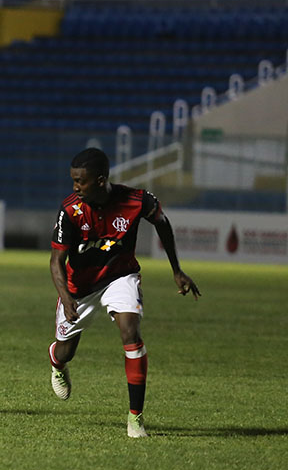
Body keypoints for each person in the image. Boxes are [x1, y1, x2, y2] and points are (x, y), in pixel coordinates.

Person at [48, 148, 200, 438]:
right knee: (67, 349)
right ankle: (56, 360)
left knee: (131, 332)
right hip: (79, 289)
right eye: (73, 180)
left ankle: (136, 420)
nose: (75, 187)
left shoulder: (136, 201)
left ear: (101, 180)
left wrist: (176, 270)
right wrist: (67, 298)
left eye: (80, 181)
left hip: (121, 275)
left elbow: (162, 224)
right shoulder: (70, 210)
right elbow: (56, 261)